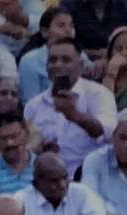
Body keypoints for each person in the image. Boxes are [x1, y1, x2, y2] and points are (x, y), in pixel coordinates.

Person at [23, 39, 116, 176]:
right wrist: (40, 149)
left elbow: (107, 132)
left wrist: (74, 115)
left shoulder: (98, 94)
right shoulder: (34, 105)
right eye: (52, 60)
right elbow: (27, 150)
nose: (58, 65)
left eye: (66, 60)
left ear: (81, 65)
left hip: (90, 175)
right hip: (47, 179)